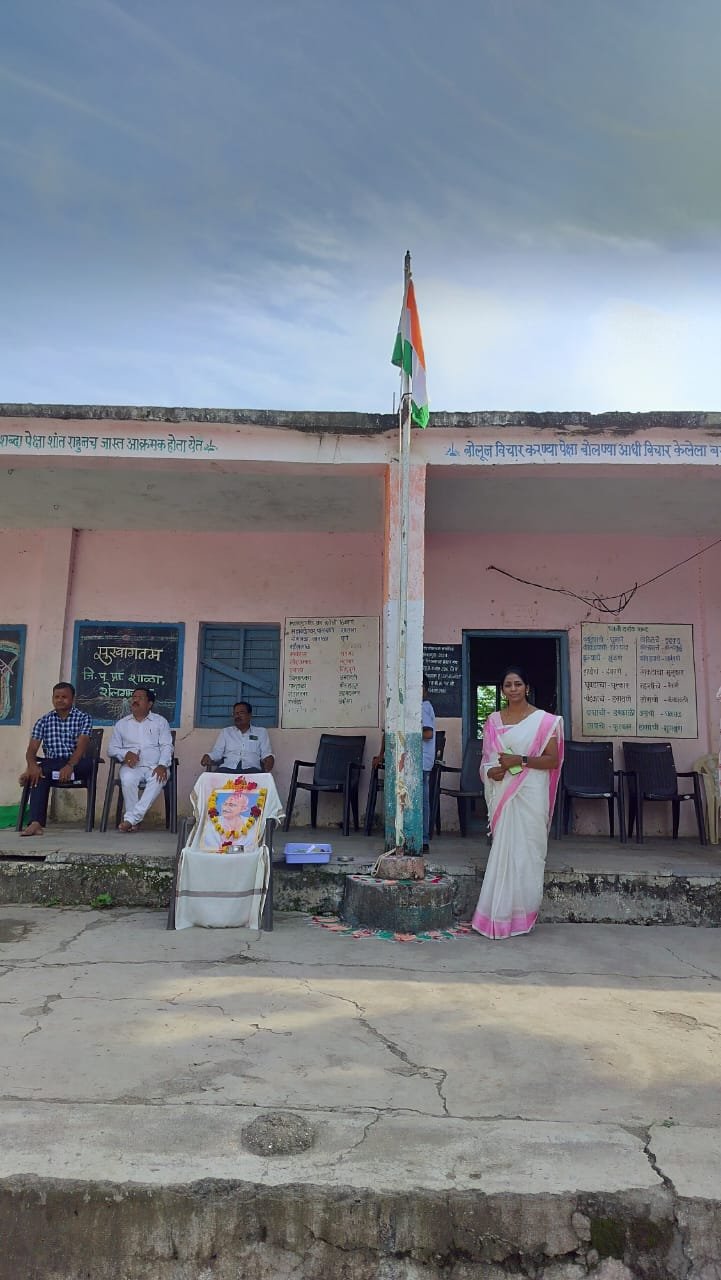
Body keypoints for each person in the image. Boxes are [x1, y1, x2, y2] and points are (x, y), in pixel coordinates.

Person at [472, 666, 564, 940]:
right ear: (502, 690)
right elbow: (487, 759)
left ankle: (523, 916)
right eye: (508, 685)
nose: (513, 689)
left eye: (518, 684)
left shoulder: (545, 721)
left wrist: (520, 760)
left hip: (531, 793)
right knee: (504, 852)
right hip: (504, 792)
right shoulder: (493, 721)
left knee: (528, 855)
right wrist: (491, 772)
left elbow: (553, 760)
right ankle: (497, 916)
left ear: (527, 687)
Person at [18, 682, 93, 837]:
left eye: (64, 697)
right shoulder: (43, 721)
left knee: (43, 770)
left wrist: (70, 765)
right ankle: (36, 823)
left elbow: (82, 747)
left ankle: (33, 774)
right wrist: (32, 765)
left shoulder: (83, 718)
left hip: (76, 766)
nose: (60, 700)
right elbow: (31, 750)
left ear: (73, 698)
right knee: (39, 773)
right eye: (56, 697)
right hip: (52, 765)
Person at [107, 686, 173, 832]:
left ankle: (131, 819)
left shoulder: (160, 722)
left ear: (150, 704)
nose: (135, 700)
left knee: (158, 778)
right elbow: (111, 749)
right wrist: (125, 754)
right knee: (128, 779)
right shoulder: (122, 724)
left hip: (155, 766)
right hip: (132, 767)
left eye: (140, 698)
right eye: (134, 697)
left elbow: (167, 746)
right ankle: (133, 821)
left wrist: (162, 765)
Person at [200, 701, 274, 774]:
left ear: (249, 715)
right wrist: (209, 756)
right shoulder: (226, 732)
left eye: (241, 713)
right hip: (227, 769)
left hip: (251, 770)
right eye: (235, 713)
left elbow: (266, 753)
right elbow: (217, 752)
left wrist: (269, 758)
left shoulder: (261, 732)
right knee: (214, 779)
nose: (237, 716)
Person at [421, 677, 436, 853]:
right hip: (422, 760)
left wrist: (408, 731)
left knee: (421, 801)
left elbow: (428, 734)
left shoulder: (423, 706)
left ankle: (423, 839)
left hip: (421, 761)